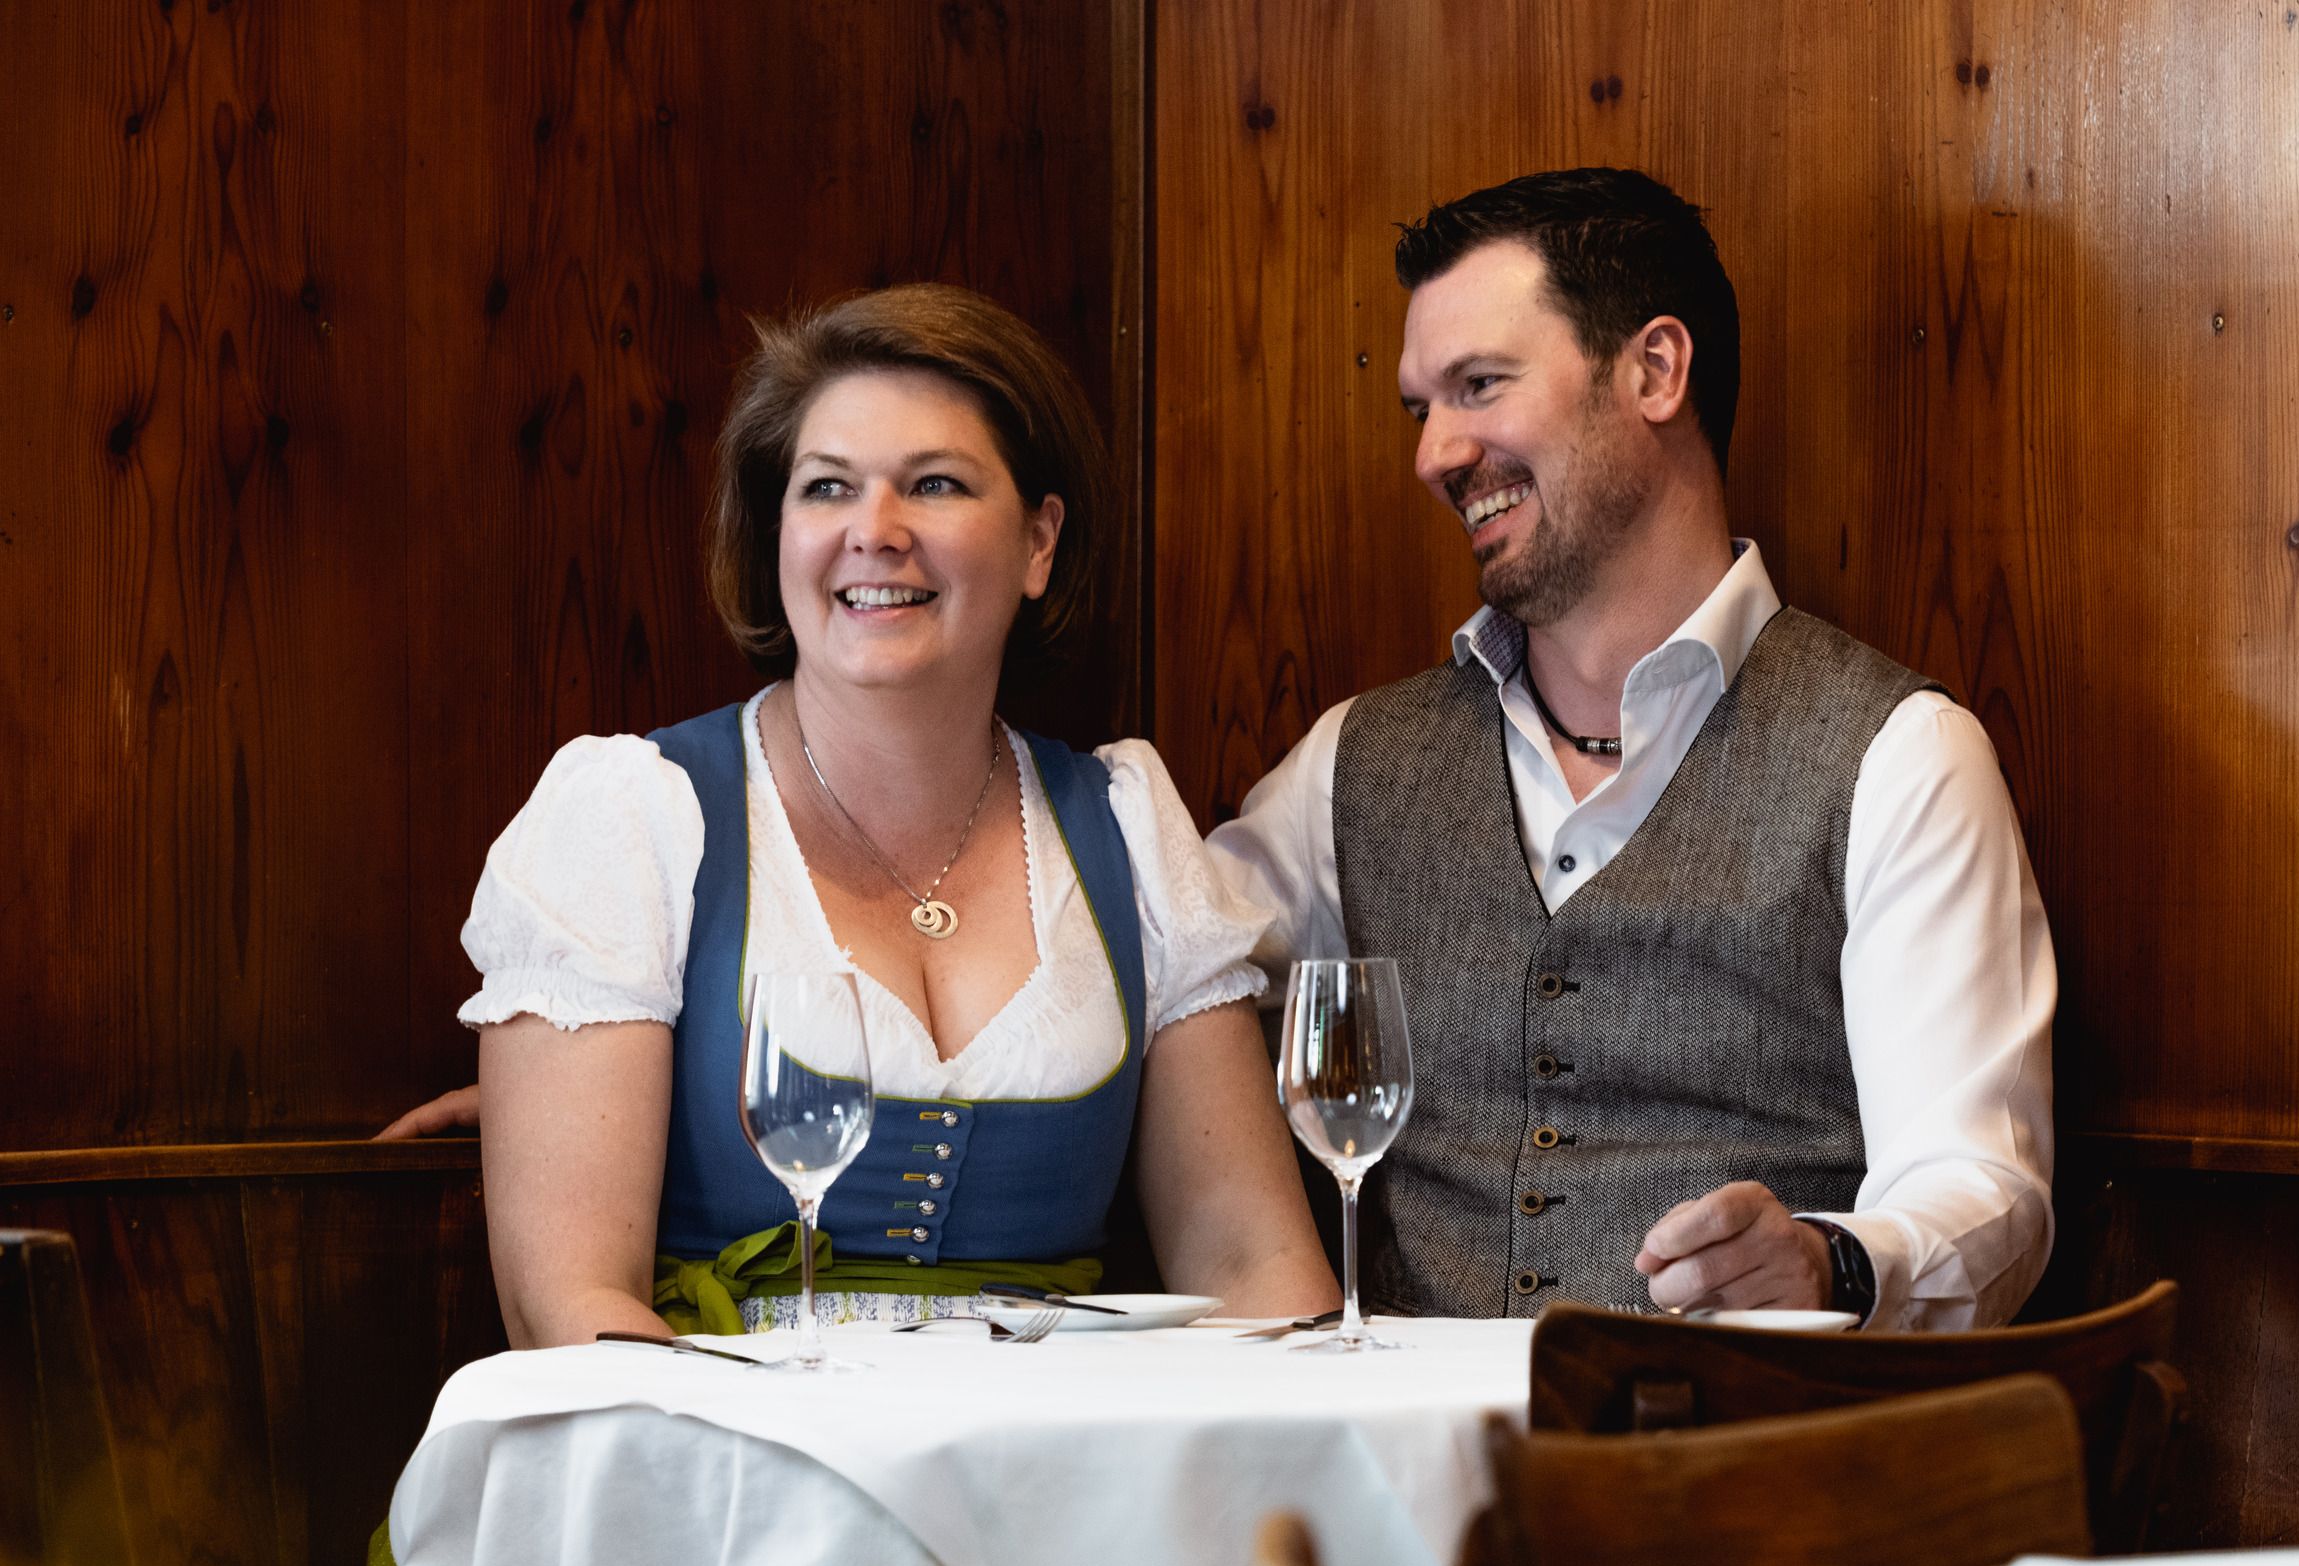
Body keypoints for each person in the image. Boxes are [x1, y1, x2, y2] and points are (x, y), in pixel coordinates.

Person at [1206, 168, 2056, 1329]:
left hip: (1740, 1471)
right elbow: (1165, 1001)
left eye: (1480, 386)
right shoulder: (1347, 766)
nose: (1435, 454)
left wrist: (1830, 1263)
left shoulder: (1900, 757)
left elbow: (1981, 1185)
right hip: (1404, 1489)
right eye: (1422, 408)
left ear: (1655, 370)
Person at [458, 283, 1335, 1344]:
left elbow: (1256, 1264)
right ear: (777, 534)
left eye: (935, 484)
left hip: (1064, 1480)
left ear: (1040, 542)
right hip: (724, 1468)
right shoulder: (632, 816)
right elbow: (569, 1305)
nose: (875, 533)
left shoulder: (1124, 822)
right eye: (827, 488)